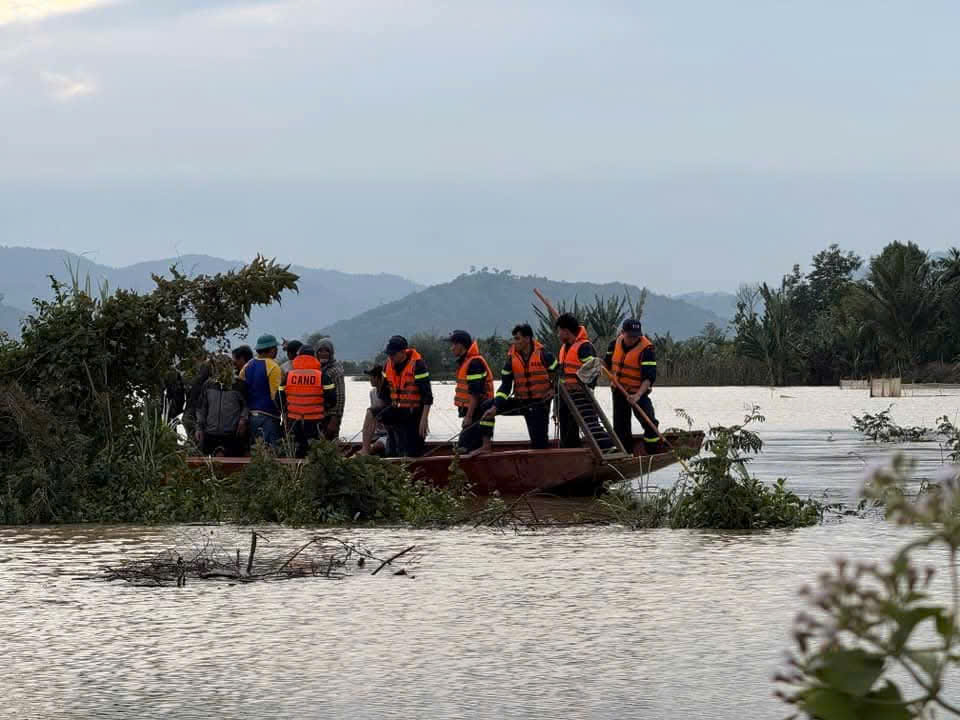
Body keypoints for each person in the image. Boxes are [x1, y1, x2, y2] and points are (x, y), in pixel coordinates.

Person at [481, 323, 557, 449]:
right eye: (514, 339)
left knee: (539, 443)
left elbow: (560, 374)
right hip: (521, 403)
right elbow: (505, 387)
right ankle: (485, 445)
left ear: (527, 339)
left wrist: (554, 390)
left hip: (540, 404)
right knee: (487, 406)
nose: (514, 342)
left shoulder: (544, 355)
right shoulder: (511, 360)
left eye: (517, 338)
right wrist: (496, 406)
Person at [605, 318, 660, 454]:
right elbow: (606, 364)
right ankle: (624, 452)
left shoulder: (646, 350)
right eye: (630, 336)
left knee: (650, 423)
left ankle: (652, 451)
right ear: (622, 333)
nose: (633, 339)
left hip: (638, 392)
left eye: (636, 336)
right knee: (620, 426)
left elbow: (648, 378)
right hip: (619, 391)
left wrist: (637, 395)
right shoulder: (614, 345)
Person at [278, 345, 337, 458]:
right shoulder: (322, 376)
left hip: (294, 421)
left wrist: (285, 411)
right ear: (314, 357)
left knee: (296, 451)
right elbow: (332, 399)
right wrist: (325, 408)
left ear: (298, 357)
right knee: (314, 453)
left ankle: (296, 474)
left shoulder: (289, 376)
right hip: (315, 422)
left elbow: (279, 397)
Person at [378, 335, 432, 457]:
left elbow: (427, 396)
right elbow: (384, 394)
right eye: (389, 354)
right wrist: (382, 414)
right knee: (392, 451)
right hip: (396, 414)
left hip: (414, 415)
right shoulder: (387, 366)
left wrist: (424, 419)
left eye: (393, 354)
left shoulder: (418, 365)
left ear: (403, 352)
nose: (390, 357)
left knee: (411, 451)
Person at [555, 312, 602, 448]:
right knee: (567, 429)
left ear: (566, 331)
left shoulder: (584, 347)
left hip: (581, 397)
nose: (558, 335)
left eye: (559, 331)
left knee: (591, 425)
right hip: (565, 397)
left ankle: (607, 448)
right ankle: (570, 452)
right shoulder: (564, 348)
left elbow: (593, 372)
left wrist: (584, 388)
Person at [449, 330, 495, 454]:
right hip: (473, 413)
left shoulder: (474, 363)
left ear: (461, 345)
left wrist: (468, 417)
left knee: (463, 448)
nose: (451, 348)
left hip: (478, 413)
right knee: (466, 446)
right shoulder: (466, 361)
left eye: (453, 345)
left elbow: (475, 393)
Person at [195, 355, 249, 456]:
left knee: (233, 468)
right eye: (219, 366)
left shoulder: (240, 385)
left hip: (232, 435)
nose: (222, 369)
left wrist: (243, 419)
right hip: (210, 434)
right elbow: (201, 408)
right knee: (211, 467)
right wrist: (199, 428)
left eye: (225, 366)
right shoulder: (208, 384)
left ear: (231, 367)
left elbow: (246, 406)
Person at [239, 334, 283, 448]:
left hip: (250, 416)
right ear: (272, 349)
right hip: (268, 417)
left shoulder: (247, 366)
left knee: (256, 452)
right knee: (270, 453)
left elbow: (241, 391)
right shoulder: (273, 367)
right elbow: (276, 396)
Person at [316, 338, 345, 441]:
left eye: (326, 351)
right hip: (318, 415)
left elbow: (340, 397)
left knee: (330, 443)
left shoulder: (336, 370)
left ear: (331, 352)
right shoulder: (316, 369)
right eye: (320, 351)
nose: (323, 354)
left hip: (331, 416)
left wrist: (335, 420)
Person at [358, 366, 391, 456]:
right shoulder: (372, 392)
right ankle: (365, 450)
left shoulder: (389, 391)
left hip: (388, 433)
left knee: (377, 446)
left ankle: (365, 452)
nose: (370, 380)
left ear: (377, 377)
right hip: (377, 433)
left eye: (371, 377)